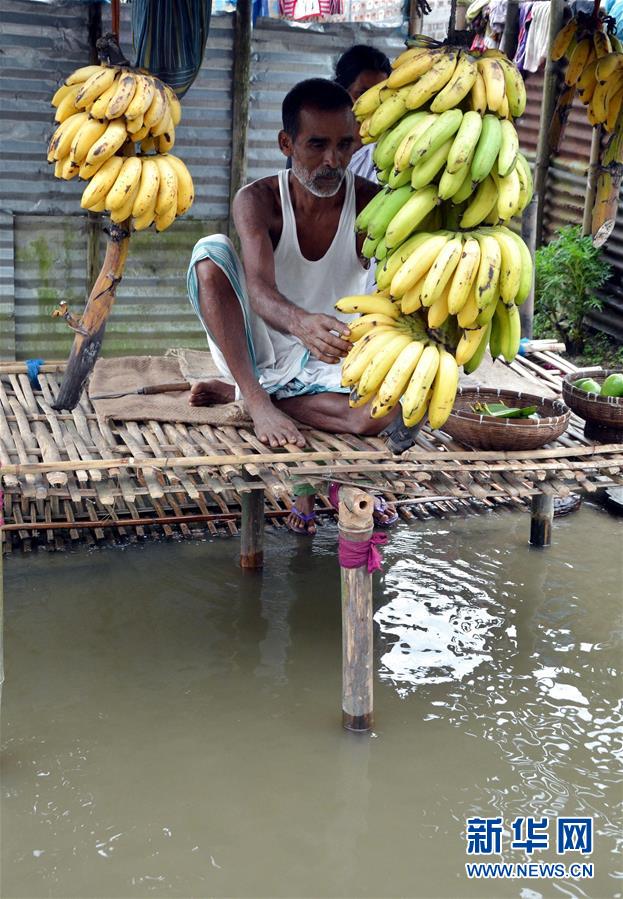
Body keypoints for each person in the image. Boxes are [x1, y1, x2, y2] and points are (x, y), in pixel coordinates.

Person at [187, 79, 416, 535]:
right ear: (286, 144)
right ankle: (254, 396)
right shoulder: (257, 201)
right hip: (260, 345)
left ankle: (257, 398)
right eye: (317, 145)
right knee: (209, 255)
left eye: (344, 145)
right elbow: (256, 288)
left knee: (384, 413)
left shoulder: (373, 203)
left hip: (333, 351)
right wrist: (299, 322)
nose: (332, 161)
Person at [334, 44, 391, 183]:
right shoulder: (316, 141)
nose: (374, 104)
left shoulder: (389, 146)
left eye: (380, 95)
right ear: (341, 92)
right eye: (362, 94)